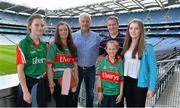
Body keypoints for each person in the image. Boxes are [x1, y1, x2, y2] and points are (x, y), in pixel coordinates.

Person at [121, 18, 157, 107]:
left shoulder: (147, 47)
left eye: (136, 28)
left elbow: (153, 68)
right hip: (127, 82)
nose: (133, 31)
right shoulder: (126, 45)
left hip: (139, 83)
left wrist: (152, 88)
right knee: (129, 105)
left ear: (141, 30)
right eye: (131, 28)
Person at [16, 14, 48, 107]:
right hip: (28, 83)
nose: (40, 27)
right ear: (30, 26)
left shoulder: (43, 44)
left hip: (41, 84)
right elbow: (20, 70)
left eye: (42, 25)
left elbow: (45, 64)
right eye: (36, 25)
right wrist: (25, 92)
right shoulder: (23, 44)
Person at [46, 22, 78, 107]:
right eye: (61, 30)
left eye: (65, 29)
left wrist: (76, 78)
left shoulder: (73, 46)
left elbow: (74, 64)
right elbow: (49, 66)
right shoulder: (53, 46)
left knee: (70, 104)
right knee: (61, 104)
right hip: (58, 81)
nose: (63, 32)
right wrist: (51, 83)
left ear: (68, 31)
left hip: (70, 80)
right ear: (58, 32)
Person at [72, 13, 101, 107]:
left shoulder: (96, 37)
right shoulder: (73, 36)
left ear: (90, 22)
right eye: (83, 21)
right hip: (77, 69)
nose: (85, 23)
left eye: (87, 21)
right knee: (75, 92)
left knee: (90, 94)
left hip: (91, 69)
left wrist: (98, 66)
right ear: (79, 22)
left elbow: (99, 53)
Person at [97, 40, 124, 107]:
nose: (111, 51)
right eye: (109, 49)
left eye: (113, 49)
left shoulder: (120, 62)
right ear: (106, 50)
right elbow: (99, 77)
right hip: (104, 93)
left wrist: (121, 94)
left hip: (115, 93)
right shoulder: (103, 61)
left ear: (117, 49)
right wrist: (100, 92)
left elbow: (122, 79)